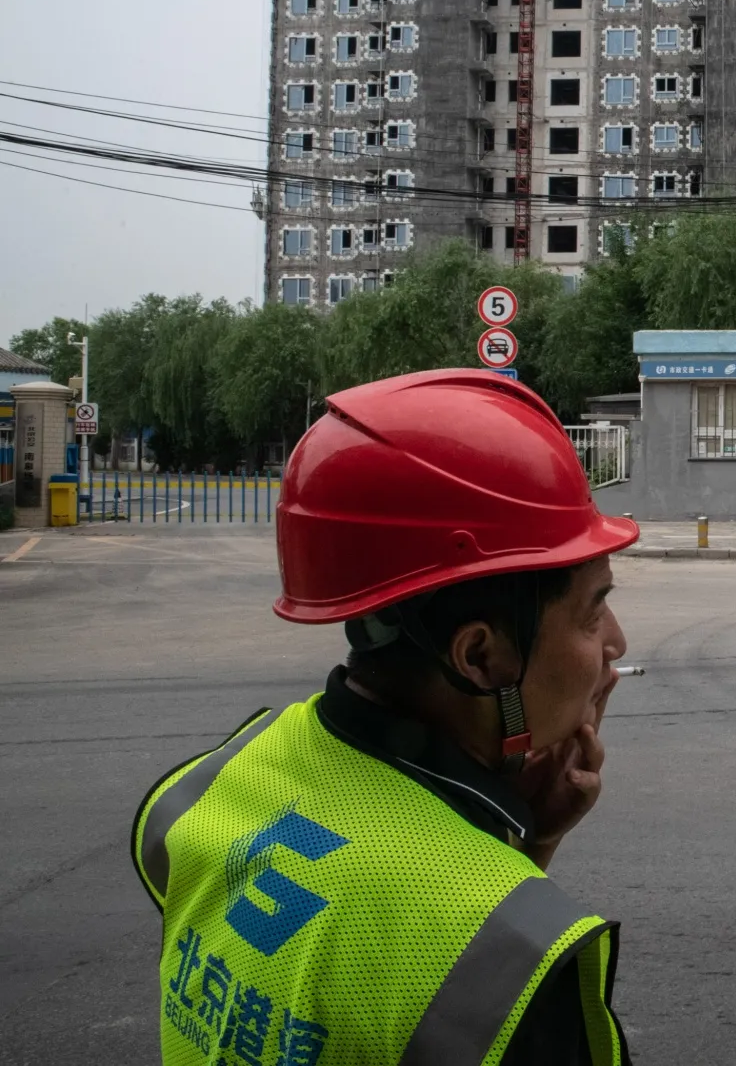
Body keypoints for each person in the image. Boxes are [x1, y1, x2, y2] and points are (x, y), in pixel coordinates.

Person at [132, 370, 639, 1065]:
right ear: (480, 656)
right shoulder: (518, 971)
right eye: (592, 608)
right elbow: (453, 955)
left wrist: (525, 841)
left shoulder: (220, 779)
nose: (616, 642)